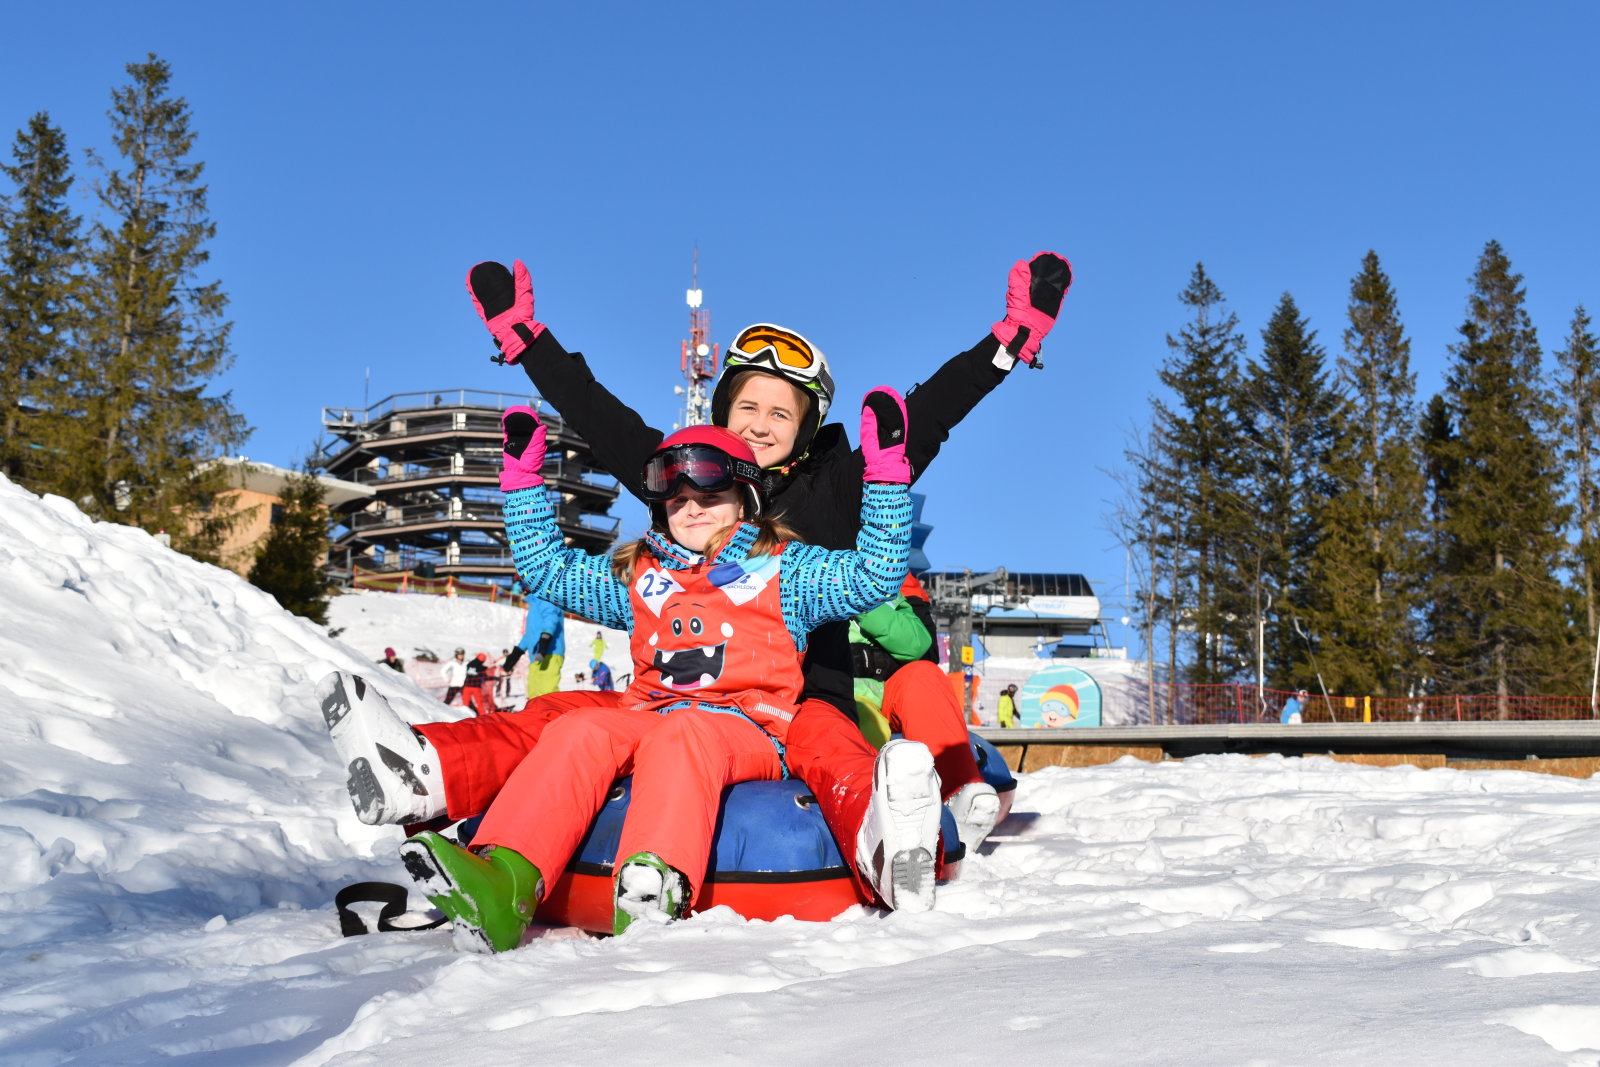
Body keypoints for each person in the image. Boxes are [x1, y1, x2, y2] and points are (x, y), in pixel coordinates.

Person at [440, 249, 1071, 909]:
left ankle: (887, 843)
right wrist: (526, 340)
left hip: (804, 699)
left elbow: (927, 417)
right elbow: (602, 420)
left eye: (780, 413)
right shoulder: (689, 481)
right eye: (747, 406)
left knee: (828, 746)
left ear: (805, 429)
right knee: (564, 718)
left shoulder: (831, 489)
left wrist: (1008, 341)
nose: (760, 424)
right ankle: (465, 801)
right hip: (683, 699)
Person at [356, 394, 915, 951]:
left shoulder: (785, 569)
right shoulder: (641, 575)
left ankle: (656, 879)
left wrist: (886, 476)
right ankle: (505, 879)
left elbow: (873, 576)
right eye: (676, 498)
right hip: (648, 713)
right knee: (581, 728)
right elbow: (548, 571)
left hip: (749, 725)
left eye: (711, 494)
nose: (692, 507)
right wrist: (523, 480)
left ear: (746, 498)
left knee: (684, 732)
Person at [850, 573, 1001, 850]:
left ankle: (958, 795)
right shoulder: (793, 559)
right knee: (855, 718)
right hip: (835, 689)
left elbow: (924, 646)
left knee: (923, 677)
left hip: (887, 683)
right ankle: (867, 806)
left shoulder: (890, 573)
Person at [502, 596, 566, 699]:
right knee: (533, 694)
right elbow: (530, 635)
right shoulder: (534, 605)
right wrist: (516, 653)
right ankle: (536, 714)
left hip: (550, 652)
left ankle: (551, 714)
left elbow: (551, 618)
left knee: (547, 693)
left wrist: (545, 639)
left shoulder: (546, 598)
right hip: (536, 656)